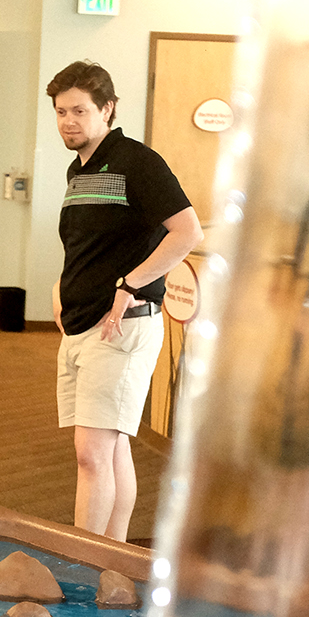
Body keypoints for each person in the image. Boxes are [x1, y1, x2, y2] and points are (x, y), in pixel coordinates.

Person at [48, 60, 202, 542]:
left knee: (91, 455)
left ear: (108, 108)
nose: (68, 121)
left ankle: (82, 562)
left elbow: (187, 233)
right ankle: (111, 556)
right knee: (110, 451)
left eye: (79, 110)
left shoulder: (137, 162)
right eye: (59, 112)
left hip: (122, 327)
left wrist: (129, 284)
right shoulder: (79, 170)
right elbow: (85, 248)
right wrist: (60, 295)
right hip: (79, 327)